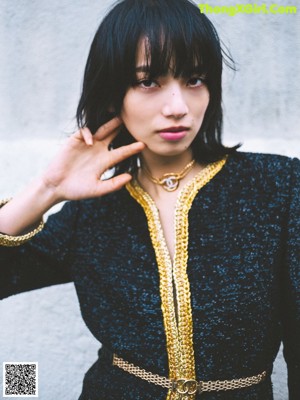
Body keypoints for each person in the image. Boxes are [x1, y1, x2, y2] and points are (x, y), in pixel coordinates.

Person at [0, 0, 299, 399]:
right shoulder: (90, 213)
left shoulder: (278, 187)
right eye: (148, 81)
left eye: (195, 79)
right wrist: (46, 190)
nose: (178, 108)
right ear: (112, 96)